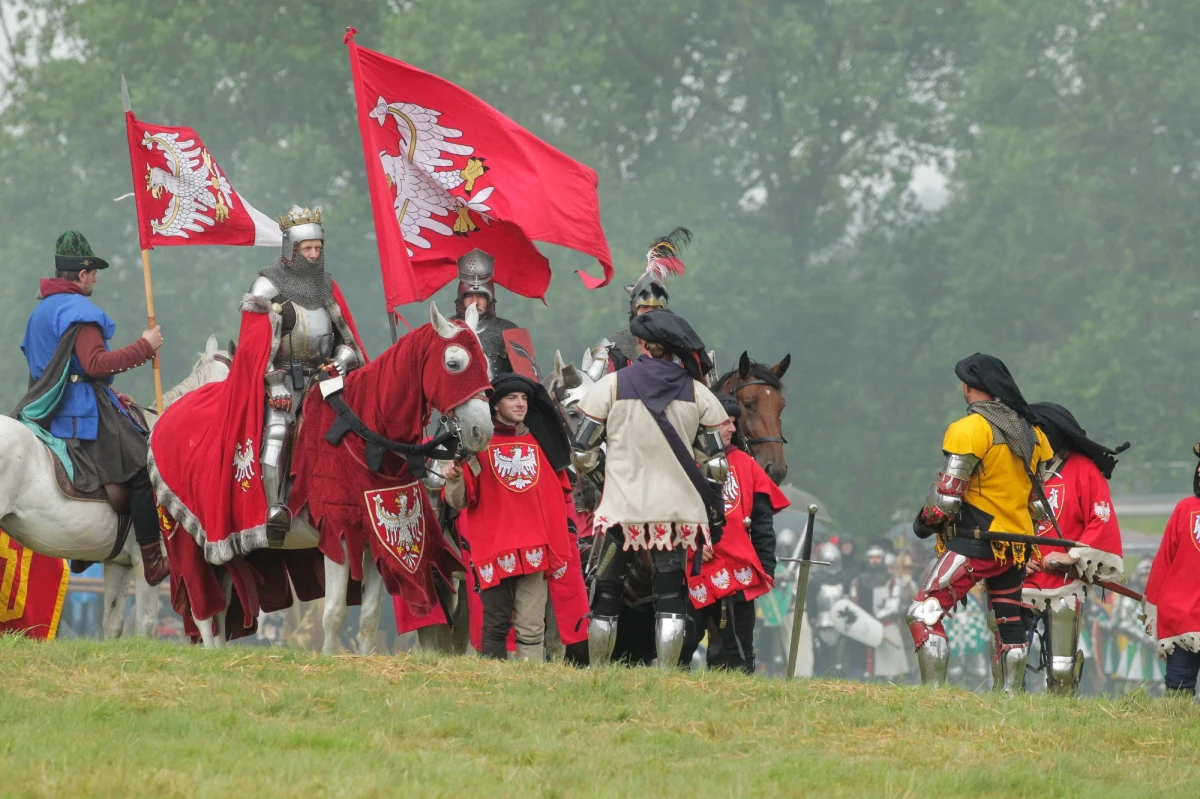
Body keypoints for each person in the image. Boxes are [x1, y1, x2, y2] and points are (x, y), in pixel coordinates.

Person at [149, 207, 367, 562]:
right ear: (291, 249)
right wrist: (275, 384)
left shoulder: (326, 287)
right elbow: (254, 348)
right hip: (282, 383)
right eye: (306, 249)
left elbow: (348, 341)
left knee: (359, 427)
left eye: (317, 248)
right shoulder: (266, 287)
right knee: (277, 432)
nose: (313, 255)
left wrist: (340, 362)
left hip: (326, 381)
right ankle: (275, 508)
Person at [574, 308, 728, 669]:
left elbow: (582, 451)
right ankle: (668, 678)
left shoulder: (612, 385)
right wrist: (705, 500)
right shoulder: (698, 393)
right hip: (675, 518)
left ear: (641, 344)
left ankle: (598, 672)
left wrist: (605, 481)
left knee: (607, 594)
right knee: (671, 598)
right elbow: (718, 465)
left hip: (621, 513)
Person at [17, 231, 169, 585]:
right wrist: (144, 347)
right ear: (82, 275)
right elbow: (96, 364)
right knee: (143, 468)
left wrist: (113, 396)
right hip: (78, 412)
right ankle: (152, 559)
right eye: (94, 273)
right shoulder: (80, 311)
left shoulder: (41, 310)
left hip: (47, 411)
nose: (96, 279)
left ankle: (87, 547)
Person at [907, 353, 1055, 693]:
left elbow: (946, 499)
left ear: (968, 386)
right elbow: (1038, 505)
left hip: (976, 542)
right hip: (1015, 546)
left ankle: (932, 696)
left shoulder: (969, 429)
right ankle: (1009, 701)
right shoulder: (1032, 433)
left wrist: (923, 523)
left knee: (922, 613)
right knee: (1008, 624)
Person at [442, 373, 577, 661]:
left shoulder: (543, 446)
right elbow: (461, 500)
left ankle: (529, 693)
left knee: (531, 628)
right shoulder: (476, 448)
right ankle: (495, 690)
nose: (520, 404)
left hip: (535, 549)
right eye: (512, 398)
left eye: (524, 398)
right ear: (495, 405)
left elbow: (558, 498)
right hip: (494, 548)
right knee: (495, 625)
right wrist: (453, 479)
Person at [1022, 402, 1128, 695]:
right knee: (1011, 658)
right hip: (1021, 579)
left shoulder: (1083, 469)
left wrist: (1072, 556)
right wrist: (1018, 556)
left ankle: (1062, 716)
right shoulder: (1021, 470)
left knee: (1061, 666)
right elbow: (1006, 516)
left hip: (1064, 583)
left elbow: (1101, 516)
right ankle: (1004, 716)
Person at [679, 392, 788, 673]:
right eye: (724, 422)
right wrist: (688, 543)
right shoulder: (683, 463)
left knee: (738, 655)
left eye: (733, 422)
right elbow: (666, 515)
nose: (731, 428)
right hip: (691, 569)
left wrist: (767, 567)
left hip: (737, 571)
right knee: (680, 649)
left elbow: (763, 523)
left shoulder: (747, 464)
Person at [586, 228, 691, 379]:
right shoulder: (610, 350)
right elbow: (592, 396)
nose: (650, 314)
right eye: (645, 308)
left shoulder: (681, 350)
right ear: (634, 310)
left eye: (656, 308)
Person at [1144, 446, 1200, 699]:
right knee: (1179, 691)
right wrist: (1153, 607)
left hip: (1182, 615)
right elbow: (1164, 561)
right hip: (1181, 618)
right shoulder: (1184, 508)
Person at [452, 249, 528, 376]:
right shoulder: (446, 330)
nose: (475, 302)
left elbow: (527, 378)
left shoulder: (508, 330)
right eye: (469, 296)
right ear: (461, 299)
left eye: (481, 297)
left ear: (490, 299)